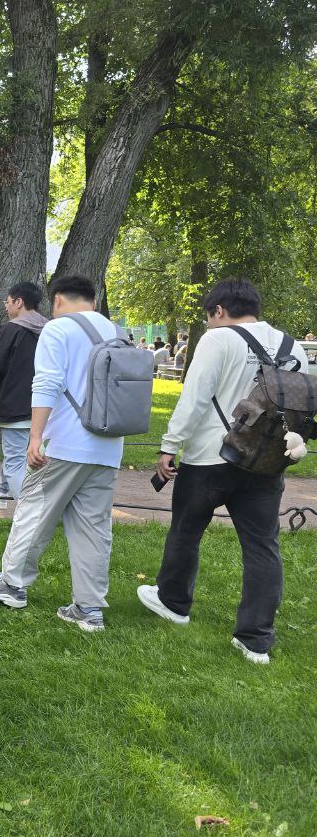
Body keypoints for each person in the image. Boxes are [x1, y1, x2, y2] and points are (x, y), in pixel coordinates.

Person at [138, 278, 308, 665]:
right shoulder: (291, 346)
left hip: (211, 455)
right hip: (265, 461)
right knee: (262, 546)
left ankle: (173, 602)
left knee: (186, 531)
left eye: (209, 316)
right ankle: (255, 640)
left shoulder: (218, 339)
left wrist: (170, 445)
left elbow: (196, 395)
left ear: (218, 310)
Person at [0, 274, 125, 633]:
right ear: (94, 300)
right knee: (94, 527)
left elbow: (47, 383)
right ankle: (89, 608)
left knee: (34, 509)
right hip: (108, 443)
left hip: (66, 440)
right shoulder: (117, 332)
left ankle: (12, 584)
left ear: (57, 301)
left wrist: (36, 436)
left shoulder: (59, 329)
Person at [0, 280, 46, 511]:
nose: (6, 306)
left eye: (7, 302)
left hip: (15, 406)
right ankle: (1, 492)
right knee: (17, 456)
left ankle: (32, 513)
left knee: (15, 460)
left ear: (18, 302)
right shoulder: (50, 330)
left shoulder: (12, 329)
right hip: (44, 406)